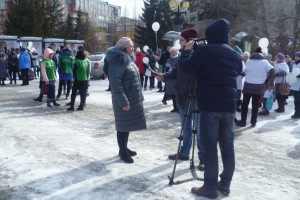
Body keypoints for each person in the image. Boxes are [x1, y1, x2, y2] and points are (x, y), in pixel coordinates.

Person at [179, 19, 243, 199]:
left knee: (209, 147)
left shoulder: (205, 51)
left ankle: (209, 187)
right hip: (229, 107)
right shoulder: (234, 54)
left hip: (209, 106)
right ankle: (225, 184)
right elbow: (237, 71)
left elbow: (187, 68)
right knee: (227, 147)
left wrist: (186, 52)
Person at [156, 28, 205, 170]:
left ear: (190, 41)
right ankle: (184, 152)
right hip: (182, 96)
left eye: (182, 40)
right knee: (185, 127)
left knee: (200, 130)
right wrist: (164, 75)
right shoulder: (182, 55)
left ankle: (203, 158)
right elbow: (177, 71)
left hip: (196, 96)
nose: (179, 43)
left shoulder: (199, 54)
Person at [106, 37, 147, 163]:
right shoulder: (117, 61)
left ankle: (124, 148)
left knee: (126, 125)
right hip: (123, 99)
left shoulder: (128, 60)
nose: (133, 48)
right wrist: (123, 102)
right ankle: (123, 152)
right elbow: (116, 84)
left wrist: (140, 95)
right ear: (124, 47)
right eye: (130, 46)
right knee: (122, 126)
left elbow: (136, 80)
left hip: (131, 98)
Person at [235, 47, 274, 127]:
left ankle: (243, 121)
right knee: (255, 105)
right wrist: (267, 80)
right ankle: (253, 122)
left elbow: (244, 72)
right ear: (261, 54)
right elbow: (272, 70)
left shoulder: (249, 61)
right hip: (259, 86)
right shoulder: (265, 62)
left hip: (248, 85)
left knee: (245, 104)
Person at [163, 47, 179, 113]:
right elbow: (165, 69)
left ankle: (179, 108)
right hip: (170, 79)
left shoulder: (179, 59)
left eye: (174, 52)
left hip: (177, 79)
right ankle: (175, 107)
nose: (172, 53)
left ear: (176, 52)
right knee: (173, 94)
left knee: (177, 94)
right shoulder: (168, 60)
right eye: (171, 52)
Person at [290, 51, 300, 118]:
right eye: (295, 56)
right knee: (295, 100)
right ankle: (297, 112)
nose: (296, 57)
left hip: (299, 85)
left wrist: (298, 75)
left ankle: (297, 114)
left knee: (298, 100)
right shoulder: (294, 64)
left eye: (297, 56)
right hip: (294, 85)